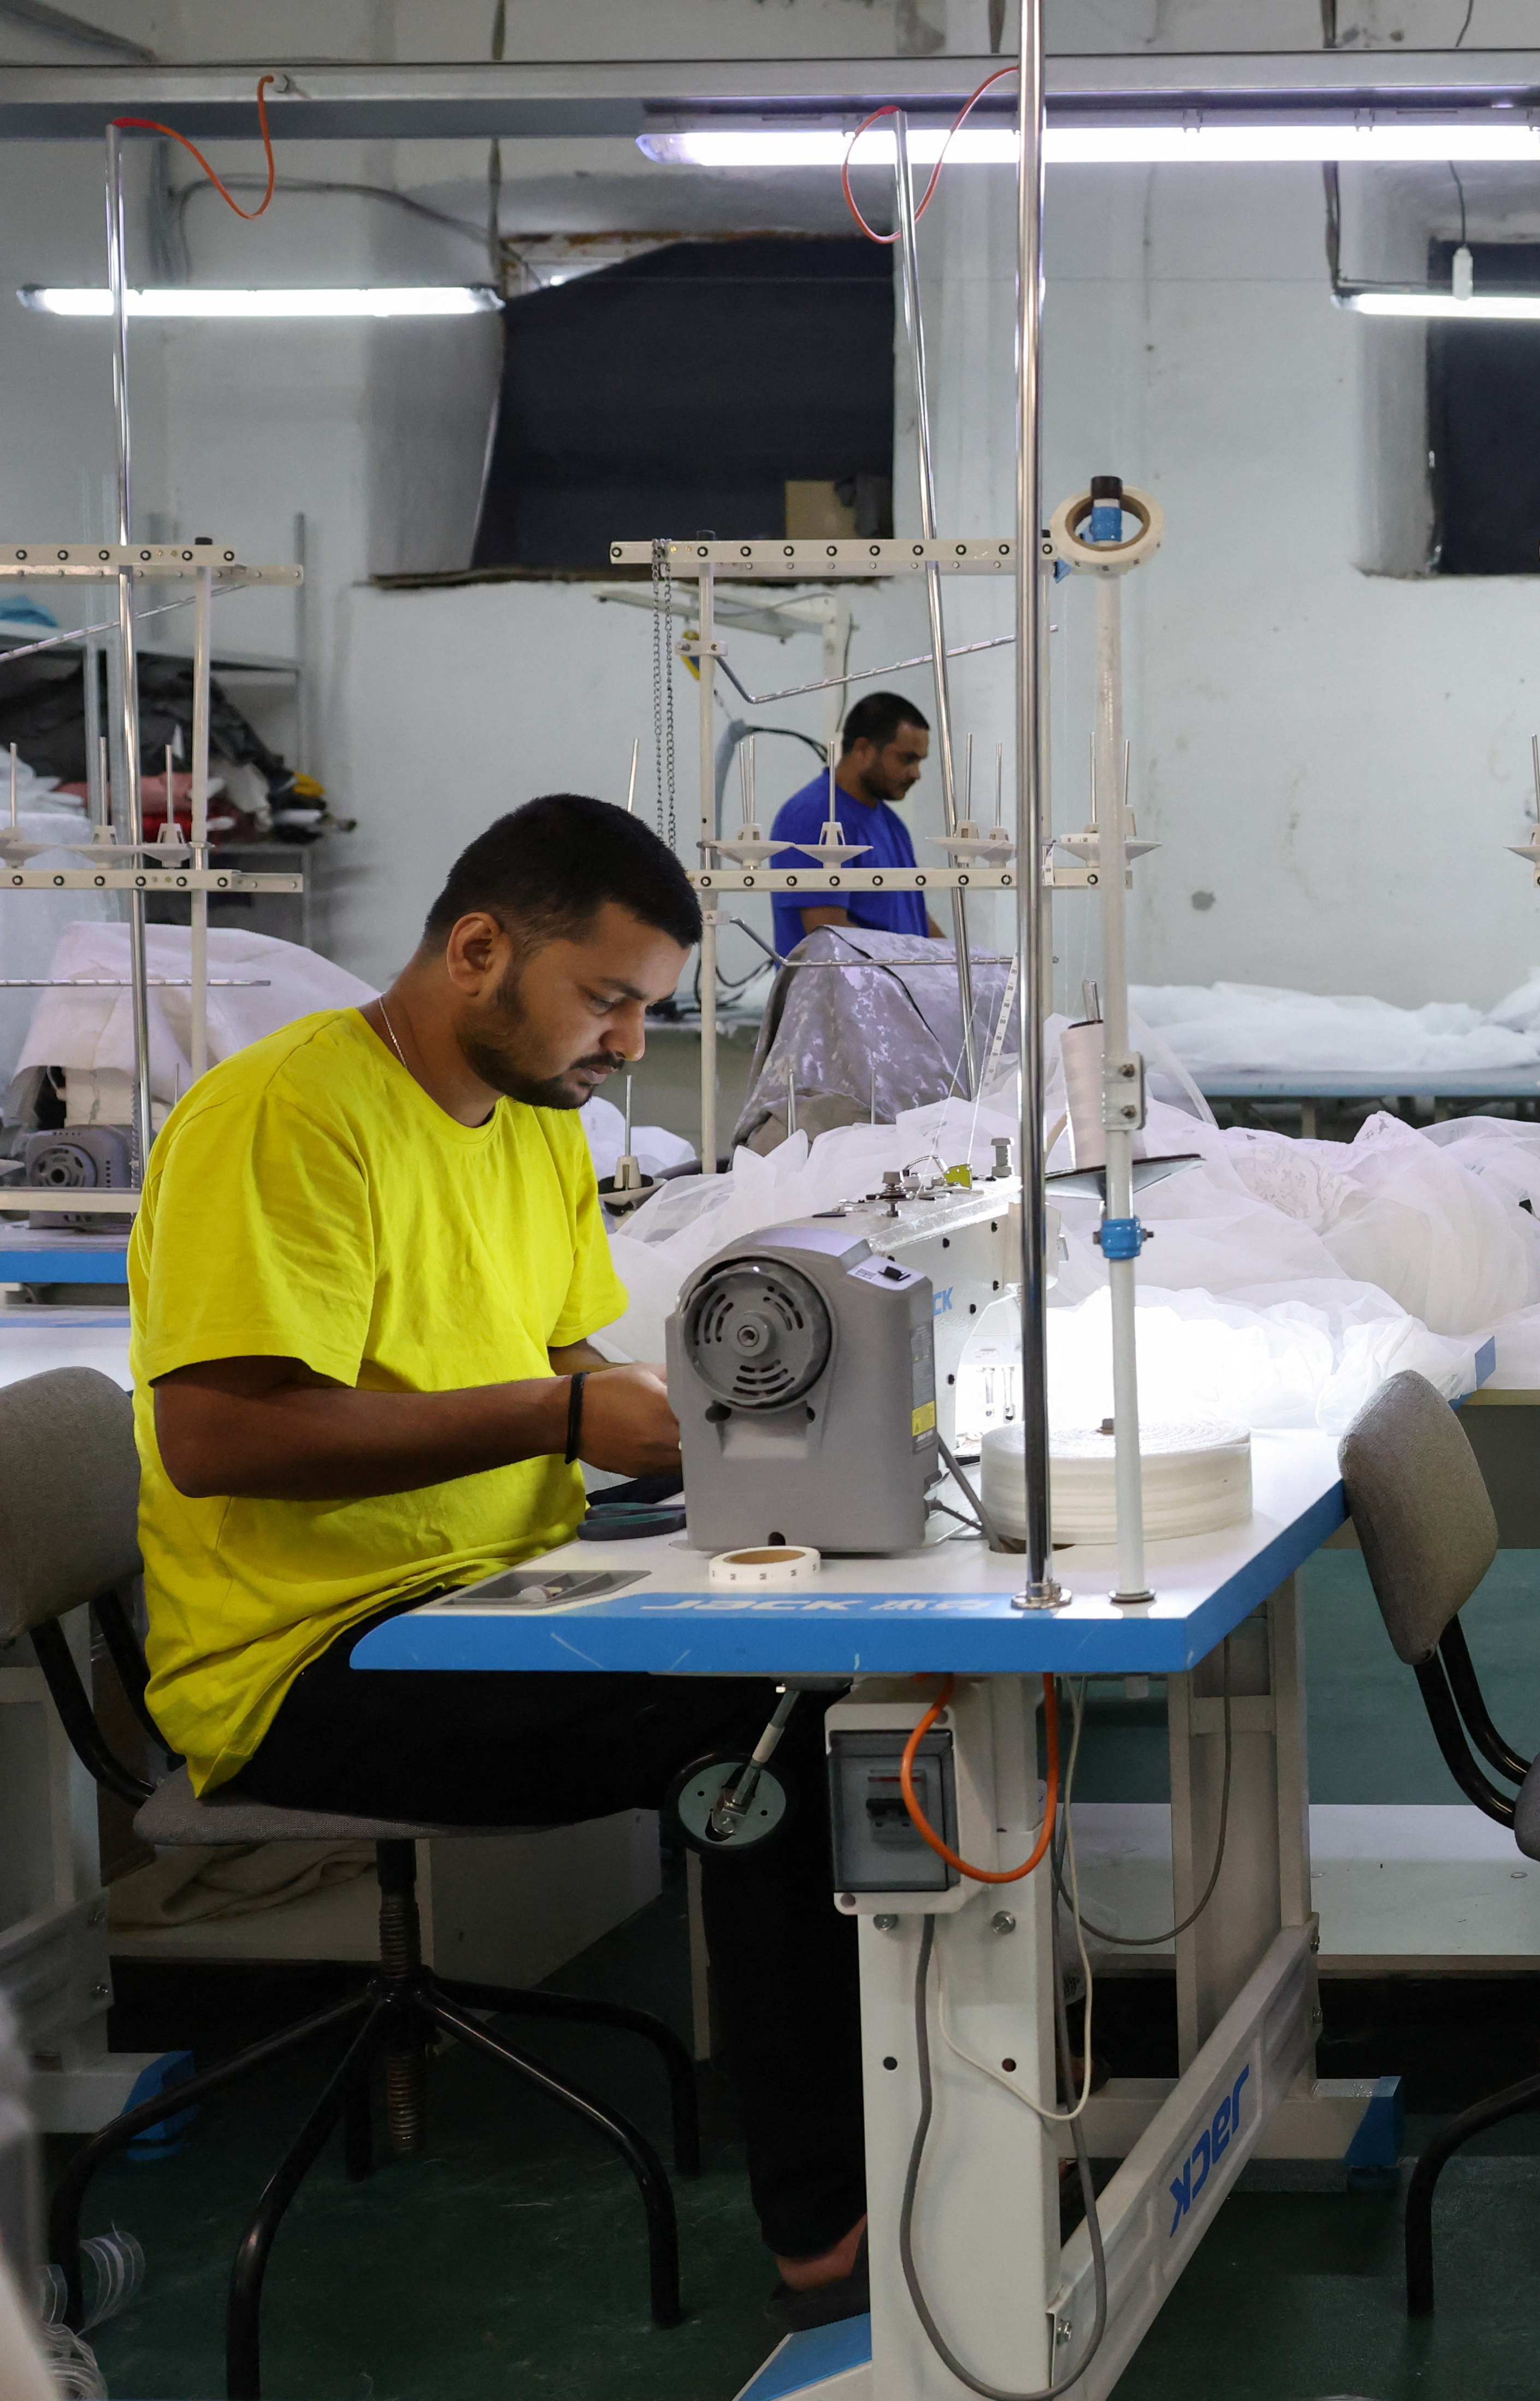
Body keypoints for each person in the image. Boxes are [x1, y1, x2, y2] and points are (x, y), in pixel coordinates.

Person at [131, 795, 870, 2326]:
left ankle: (946, 2127)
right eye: (605, 1000)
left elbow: (559, 1351)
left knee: (854, 1660)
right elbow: (219, 1437)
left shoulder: (533, 1124)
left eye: (647, 1010)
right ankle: (835, 2236)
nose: (623, 1044)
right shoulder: (291, 1115)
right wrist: (562, 1413)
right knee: (769, 1739)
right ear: (478, 949)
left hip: (494, 1594)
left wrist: (717, 1447)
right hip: (314, 1655)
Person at [767, 691, 937, 958]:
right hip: (841, 999)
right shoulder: (813, 817)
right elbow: (828, 935)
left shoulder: (892, 825)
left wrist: (960, 969)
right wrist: (917, 975)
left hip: (896, 995)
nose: (916, 774)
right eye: (907, 759)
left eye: (919, 761)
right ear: (862, 750)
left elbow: (915, 919)